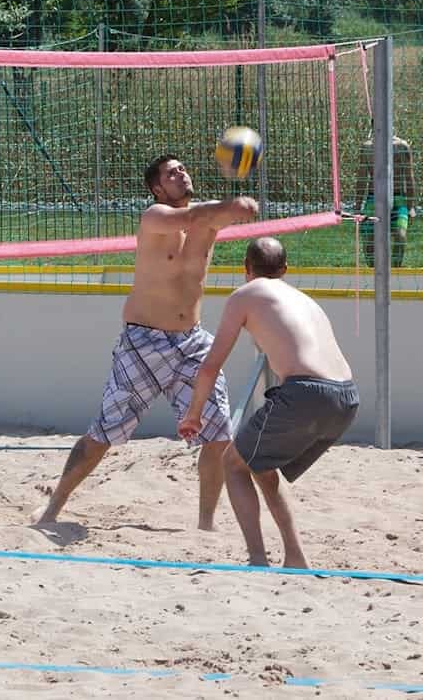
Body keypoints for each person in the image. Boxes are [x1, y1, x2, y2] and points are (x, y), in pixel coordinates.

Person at [38, 154, 258, 529]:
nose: (182, 173)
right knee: (102, 436)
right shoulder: (155, 216)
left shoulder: (207, 219)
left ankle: (205, 523)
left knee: (218, 432)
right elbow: (196, 216)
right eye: (172, 173)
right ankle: (52, 509)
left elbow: (233, 214)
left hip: (191, 342)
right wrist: (231, 206)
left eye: (184, 168)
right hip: (143, 342)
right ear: (158, 188)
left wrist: (246, 206)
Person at [179, 237, 358, 568]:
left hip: (307, 393)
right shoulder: (305, 300)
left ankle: (258, 558)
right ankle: (295, 556)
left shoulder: (245, 295)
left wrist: (193, 414)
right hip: (347, 398)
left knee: (232, 463)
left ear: (246, 270)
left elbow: (210, 365)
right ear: (286, 270)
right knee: (258, 463)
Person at [355, 132, 415, 267]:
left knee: (400, 236)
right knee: (369, 238)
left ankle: (395, 269)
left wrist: (411, 206)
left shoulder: (401, 146)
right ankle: (372, 270)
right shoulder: (367, 147)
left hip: (398, 197)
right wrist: (358, 205)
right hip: (373, 198)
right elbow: (362, 178)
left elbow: (409, 176)